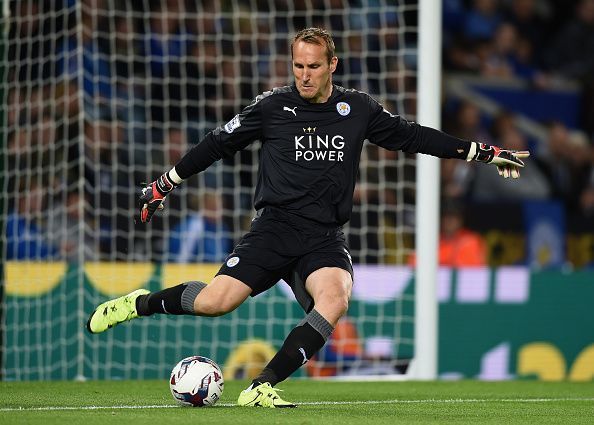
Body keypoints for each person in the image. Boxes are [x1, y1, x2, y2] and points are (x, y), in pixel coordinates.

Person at [86, 27, 529, 407]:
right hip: (274, 229)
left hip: (323, 237)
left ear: (332, 64)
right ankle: (138, 303)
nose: (303, 75)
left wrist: (484, 153)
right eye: (298, 66)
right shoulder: (272, 107)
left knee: (335, 300)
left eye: (313, 66)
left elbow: (414, 137)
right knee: (215, 303)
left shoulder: (357, 109)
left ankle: (261, 387)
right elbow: (216, 144)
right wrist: (166, 182)